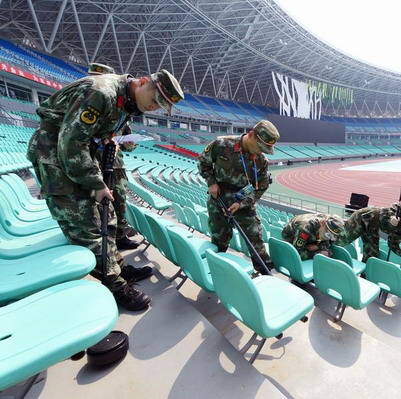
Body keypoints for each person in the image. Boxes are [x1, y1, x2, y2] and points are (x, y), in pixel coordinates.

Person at [26, 68, 184, 311]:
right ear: (142, 82)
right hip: (55, 153)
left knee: (106, 216)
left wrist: (110, 141)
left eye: (161, 106)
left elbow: (99, 132)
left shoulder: (128, 102)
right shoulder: (101, 92)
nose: (155, 107)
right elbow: (71, 143)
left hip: (82, 153)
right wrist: (96, 182)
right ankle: (115, 286)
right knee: (86, 223)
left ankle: (116, 266)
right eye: (154, 100)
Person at [198, 120, 279, 273]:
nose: (261, 152)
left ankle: (265, 271)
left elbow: (261, 187)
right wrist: (211, 182)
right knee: (219, 238)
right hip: (219, 198)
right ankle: (217, 269)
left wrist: (242, 204)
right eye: (260, 147)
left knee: (255, 237)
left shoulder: (261, 160)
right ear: (251, 135)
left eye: (265, 149)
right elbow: (203, 162)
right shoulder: (222, 144)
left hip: (243, 201)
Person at [87, 63, 139, 250]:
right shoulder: (90, 101)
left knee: (120, 202)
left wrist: (128, 144)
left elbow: (128, 145)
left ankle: (120, 236)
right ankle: (107, 244)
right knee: (100, 206)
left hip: (115, 165)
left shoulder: (120, 112)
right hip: (93, 165)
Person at [337, 202, 401, 262]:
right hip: (363, 218)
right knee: (342, 241)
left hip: (372, 228)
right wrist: (392, 218)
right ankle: (324, 246)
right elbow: (396, 206)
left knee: (372, 255)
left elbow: (392, 244)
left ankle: (365, 275)